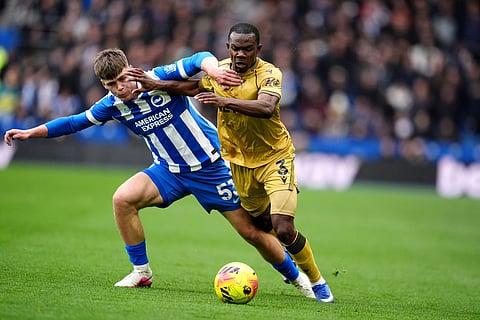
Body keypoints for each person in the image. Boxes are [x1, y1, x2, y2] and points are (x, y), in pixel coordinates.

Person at [3, 48, 315, 297]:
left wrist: (213, 70)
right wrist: (31, 132)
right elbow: (74, 122)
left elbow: (197, 59)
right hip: (169, 171)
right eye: (111, 85)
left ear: (130, 68)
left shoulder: (157, 79)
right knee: (122, 200)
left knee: (252, 233)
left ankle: (297, 277)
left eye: (122, 79)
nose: (120, 88)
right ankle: (141, 273)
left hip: (212, 168)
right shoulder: (112, 105)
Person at [149, 23, 334, 303]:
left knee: (283, 226)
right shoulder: (219, 72)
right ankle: (291, 264)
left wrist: (223, 101)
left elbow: (266, 107)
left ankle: (318, 282)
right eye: (235, 48)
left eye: (247, 49)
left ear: (257, 49)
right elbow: (189, 87)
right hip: (239, 162)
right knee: (260, 224)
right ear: (228, 48)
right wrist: (155, 84)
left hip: (275, 157)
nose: (240, 54)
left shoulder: (270, 73)